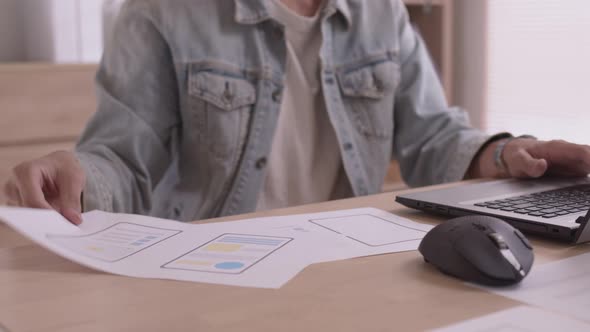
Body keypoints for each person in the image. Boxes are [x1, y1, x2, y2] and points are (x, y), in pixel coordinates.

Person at [4, 0, 590, 225]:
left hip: (340, 261)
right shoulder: (160, 12)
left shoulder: (383, 15)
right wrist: (74, 177)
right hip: (203, 272)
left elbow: (433, 139)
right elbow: (121, 161)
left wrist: (506, 153)